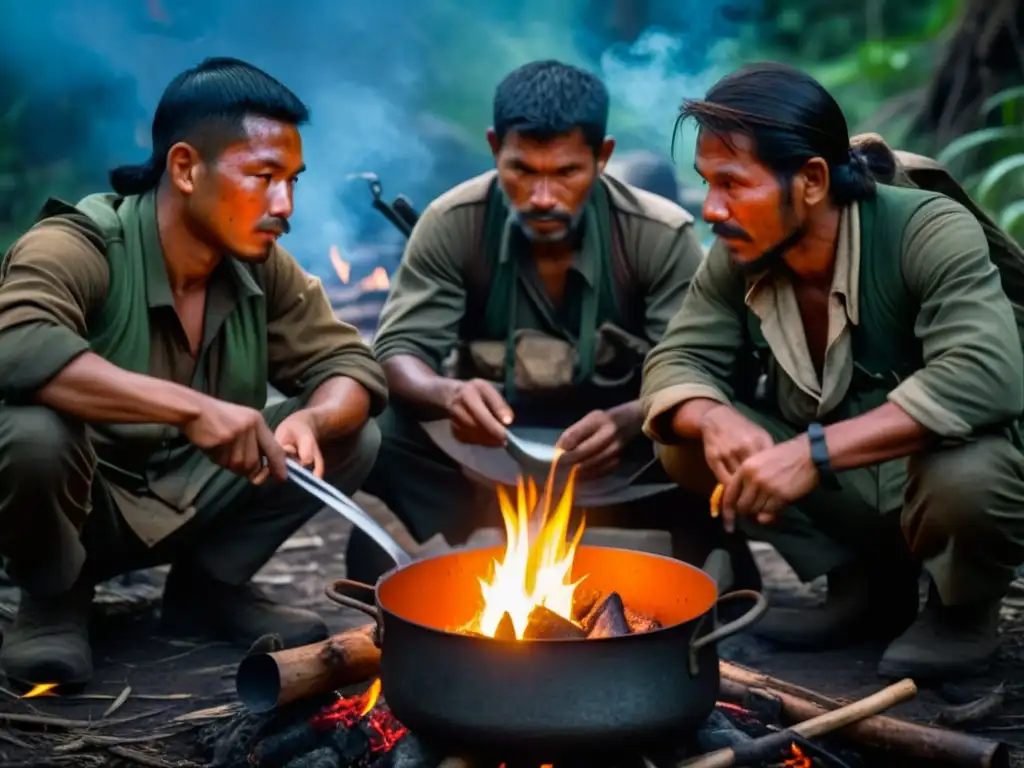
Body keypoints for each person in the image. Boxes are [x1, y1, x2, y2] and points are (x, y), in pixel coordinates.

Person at [0, 57, 388, 688]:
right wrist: (191, 408)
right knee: (32, 430)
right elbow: (17, 346)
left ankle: (208, 589)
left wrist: (314, 418)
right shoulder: (78, 245)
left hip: (193, 496)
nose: (285, 204)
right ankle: (53, 600)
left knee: (355, 429)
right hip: (86, 502)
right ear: (184, 168)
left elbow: (348, 364)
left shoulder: (259, 264)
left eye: (292, 180)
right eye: (263, 177)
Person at [641, 61, 1024, 681]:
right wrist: (711, 418)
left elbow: (984, 373)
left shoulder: (926, 229)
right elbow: (676, 361)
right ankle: (861, 587)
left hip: (930, 479)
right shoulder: (740, 252)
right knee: (681, 440)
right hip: (847, 488)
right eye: (706, 183)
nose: (712, 209)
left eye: (734, 184)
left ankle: (962, 613)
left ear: (813, 180)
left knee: (969, 475)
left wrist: (810, 454)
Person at [347, 60, 718, 584]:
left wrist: (635, 416)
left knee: (711, 422)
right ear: (495, 147)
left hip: (623, 455)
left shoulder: (660, 234)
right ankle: (423, 549)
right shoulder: (454, 221)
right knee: (375, 425)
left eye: (567, 172)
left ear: (603, 156)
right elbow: (398, 351)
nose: (543, 197)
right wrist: (449, 395)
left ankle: (704, 556)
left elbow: (696, 365)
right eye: (522, 170)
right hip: (488, 450)